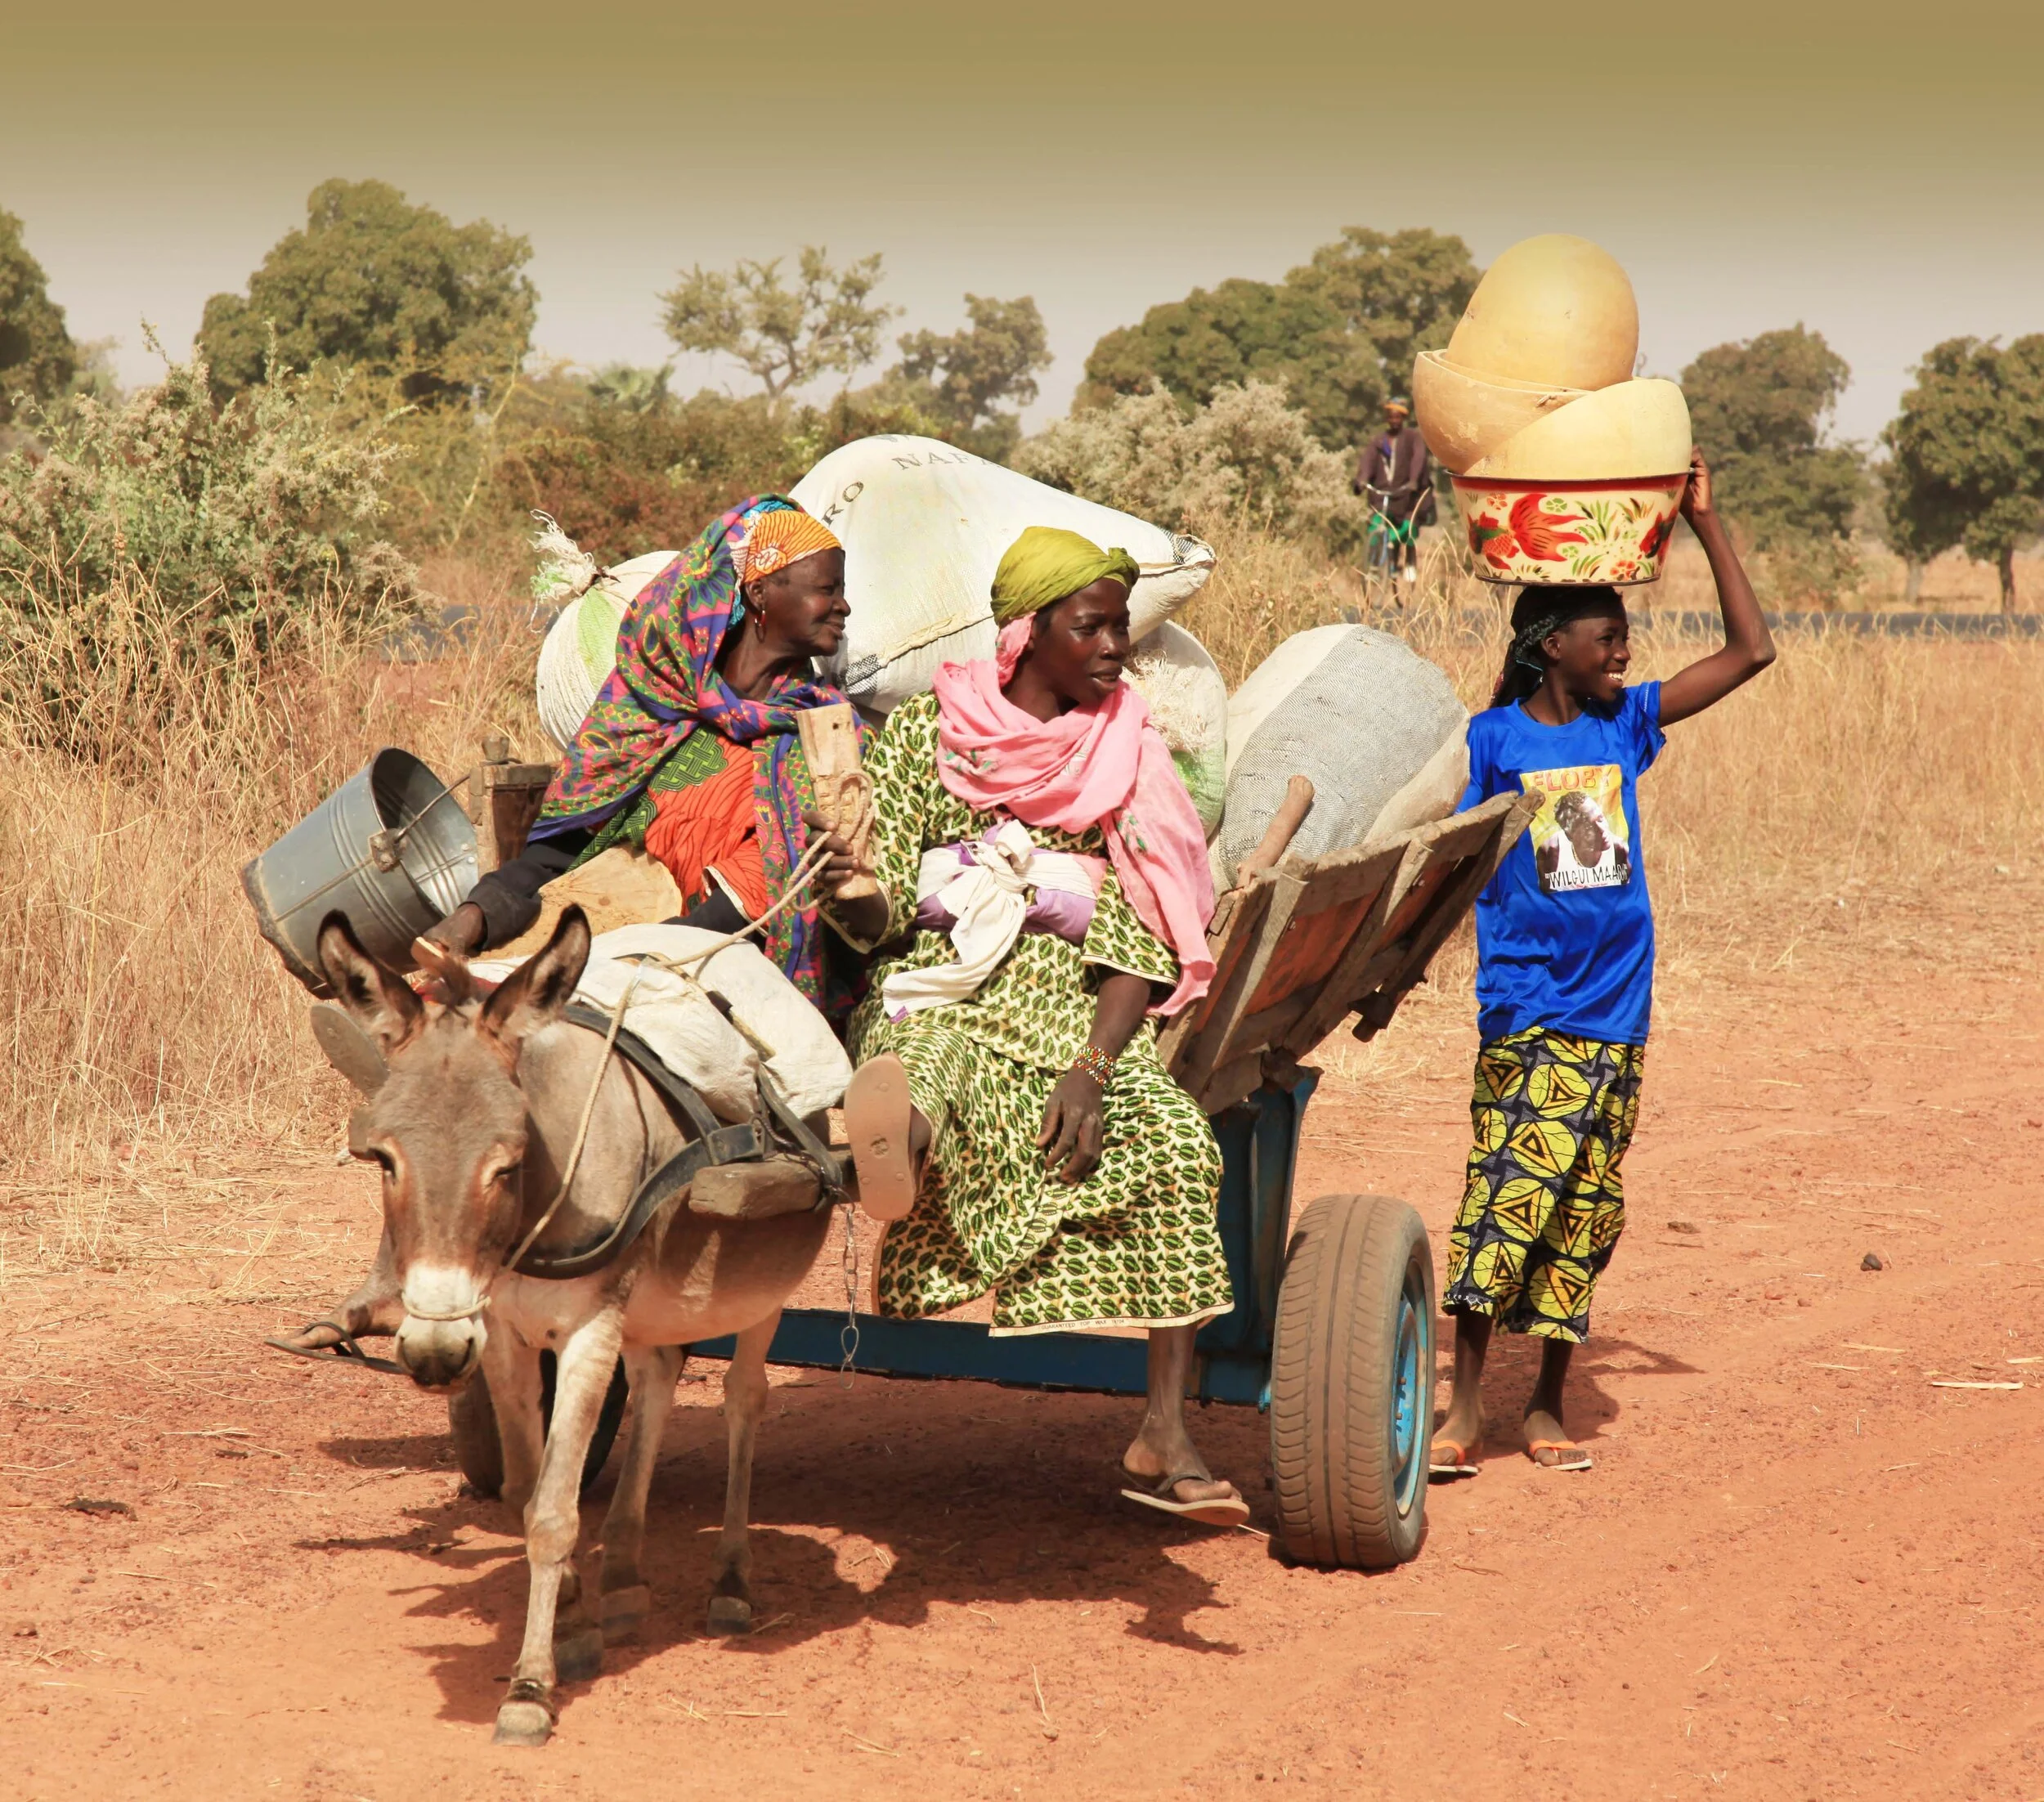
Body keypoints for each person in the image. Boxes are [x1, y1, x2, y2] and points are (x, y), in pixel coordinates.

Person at [278, 495, 854, 1361]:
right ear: (760, 598)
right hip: (630, 954)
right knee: (452, 1093)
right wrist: (470, 923)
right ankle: (394, 1271)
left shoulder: (823, 733)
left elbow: (761, 892)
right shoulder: (643, 715)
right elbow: (552, 851)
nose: (843, 607)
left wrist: (623, 962)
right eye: (825, 591)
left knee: (536, 1035)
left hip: (740, 965)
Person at [809, 526, 1247, 1526]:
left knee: (1179, 1145)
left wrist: (1093, 1067)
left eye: (1119, 627)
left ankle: (1164, 1432)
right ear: (1028, 634)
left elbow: (1144, 918)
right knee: (925, 1058)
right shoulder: (929, 732)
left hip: (1073, 1006)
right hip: (943, 977)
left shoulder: (1129, 744)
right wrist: (879, 888)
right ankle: (901, 1145)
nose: (1112, 647)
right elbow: (875, 910)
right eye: (1089, 626)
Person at [1428, 448, 1773, 1476]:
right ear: (1549, 647)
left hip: (1616, 1008)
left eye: (1624, 630)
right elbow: (1444, 861)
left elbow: (1752, 653)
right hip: (1525, 1003)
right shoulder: (1487, 739)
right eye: (1603, 630)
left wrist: (1708, 522)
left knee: (1583, 1209)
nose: (1622, 642)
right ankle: (1461, 1407)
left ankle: (1543, 1404)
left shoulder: (1626, 720)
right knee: (1504, 1195)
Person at [1352, 396, 1434, 584]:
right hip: (1383, 497)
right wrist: (1362, 480)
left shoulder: (1413, 438)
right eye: (1391, 416)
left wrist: (1414, 481)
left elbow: (1418, 460)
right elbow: (1367, 462)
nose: (1394, 420)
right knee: (1375, 527)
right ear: (1387, 418)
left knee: (1407, 531)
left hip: (1407, 497)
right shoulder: (1379, 441)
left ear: (1403, 418)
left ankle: (1410, 561)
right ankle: (1373, 566)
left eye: (1398, 417)